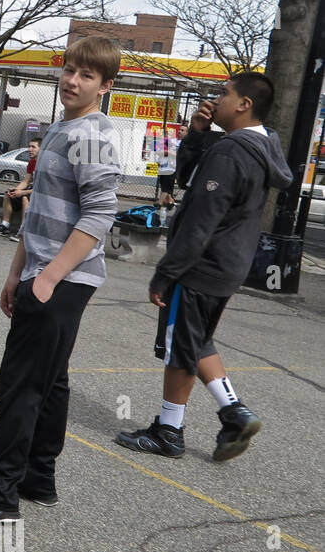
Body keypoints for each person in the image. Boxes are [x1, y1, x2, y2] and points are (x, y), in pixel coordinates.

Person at [0, 35, 122, 522]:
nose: (72, 79)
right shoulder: (65, 129)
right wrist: (16, 271)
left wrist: (47, 280)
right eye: (69, 69)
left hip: (63, 280)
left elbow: (101, 214)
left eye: (87, 75)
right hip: (44, 272)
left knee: (21, 383)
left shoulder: (91, 135)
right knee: (50, 381)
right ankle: (38, 478)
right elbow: (40, 209)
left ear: (105, 85)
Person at [115, 72, 291, 462]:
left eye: (225, 93)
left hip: (202, 265)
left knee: (180, 344)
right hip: (228, 264)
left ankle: (169, 432)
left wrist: (166, 272)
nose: (216, 98)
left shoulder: (232, 152)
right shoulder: (257, 145)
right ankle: (234, 413)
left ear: (245, 103)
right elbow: (188, 178)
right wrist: (197, 134)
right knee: (196, 340)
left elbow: (201, 219)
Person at [0, 137, 41, 241]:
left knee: (25, 198)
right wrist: (16, 190)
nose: (30, 149)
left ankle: (23, 230)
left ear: (41, 149)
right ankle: (5, 225)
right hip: (32, 190)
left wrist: (22, 192)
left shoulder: (45, 164)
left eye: (33, 147)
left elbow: (41, 188)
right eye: (29, 146)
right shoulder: (32, 162)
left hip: (41, 193)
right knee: (9, 194)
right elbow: (26, 181)